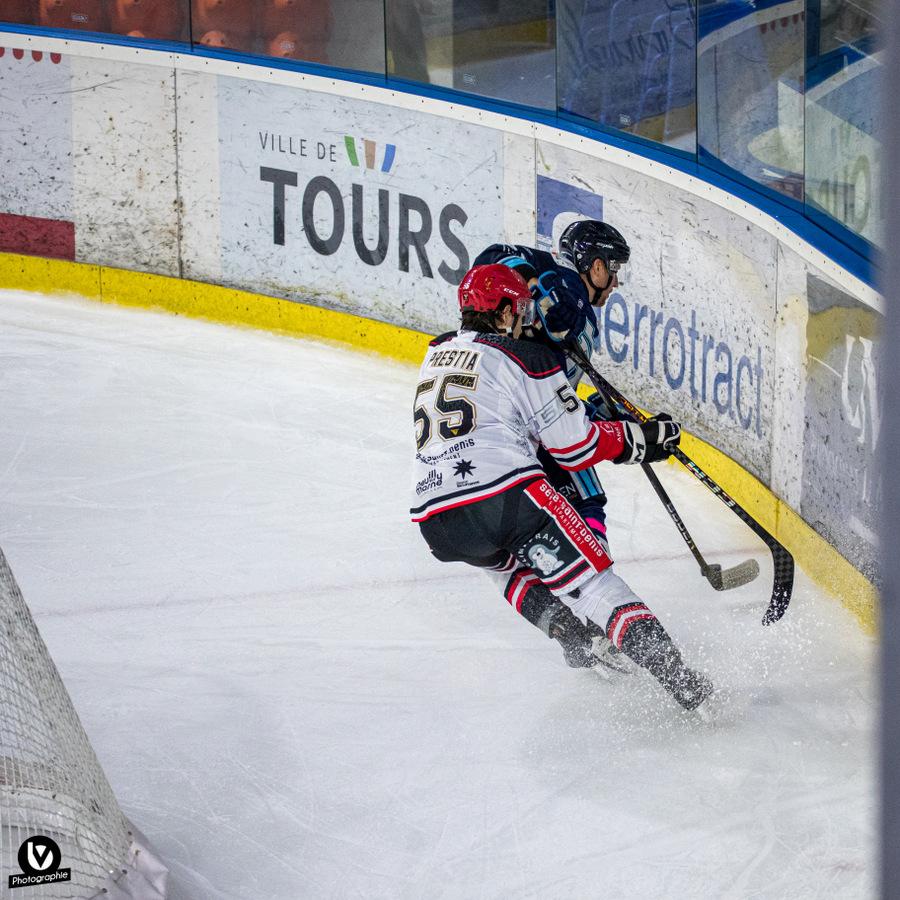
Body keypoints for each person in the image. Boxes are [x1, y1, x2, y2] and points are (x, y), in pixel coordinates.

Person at [410, 263, 713, 712]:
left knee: (503, 565)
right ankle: (685, 685)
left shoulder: (435, 354)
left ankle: (567, 631)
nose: (524, 320)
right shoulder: (525, 358)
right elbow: (574, 447)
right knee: (595, 588)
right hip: (507, 495)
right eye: (520, 311)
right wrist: (641, 439)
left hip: (435, 518)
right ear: (505, 311)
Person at [470, 221, 636, 673]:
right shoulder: (559, 279)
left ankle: (572, 629)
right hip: (525, 431)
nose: (615, 282)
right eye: (613, 269)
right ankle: (596, 612)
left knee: (525, 543)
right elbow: (490, 257)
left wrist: (597, 411)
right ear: (595, 265)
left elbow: (558, 396)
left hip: (526, 426)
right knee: (586, 491)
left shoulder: (581, 315)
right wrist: (533, 280)